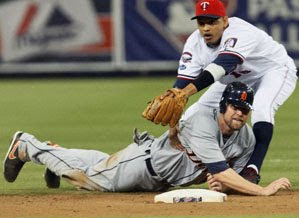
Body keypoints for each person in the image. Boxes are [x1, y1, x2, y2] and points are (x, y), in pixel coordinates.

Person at [3, 82, 291, 195]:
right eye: (235, 107)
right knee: (90, 180)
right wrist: (263, 191)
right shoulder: (203, 122)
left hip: (163, 179)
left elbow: (232, 177)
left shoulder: (246, 139)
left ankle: (55, 154)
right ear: (223, 106)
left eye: (245, 109)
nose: (240, 113)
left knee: (98, 165)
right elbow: (223, 172)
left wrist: (223, 185)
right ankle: (27, 145)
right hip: (144, 165)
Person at [145, 0, 298, 184]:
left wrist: (185, 94)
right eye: (202, 23)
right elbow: (180, 87)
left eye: (212, 22)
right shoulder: (194, 43)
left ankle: (252, 170)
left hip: (274, 70)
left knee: (261, 108)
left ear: (225, 21)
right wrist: (173, 125)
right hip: (237, 76)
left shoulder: (240, 31)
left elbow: (221, 67)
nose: (206, 28)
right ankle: (160, 155)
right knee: (197, 109)